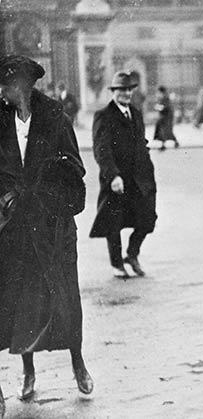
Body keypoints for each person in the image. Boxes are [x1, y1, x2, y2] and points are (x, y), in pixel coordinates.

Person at [0, 55, 93, 411]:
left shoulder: (55, 116)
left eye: (6, 86)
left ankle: (77, 361)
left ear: (21, 85)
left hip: (51, 223)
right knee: (19, 295)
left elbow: (75, 167)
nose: (1, 92)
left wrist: (49, 189)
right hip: (12, 223)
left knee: (64, 293)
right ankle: (27, 370)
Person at [89, 71, 158, 278]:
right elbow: (102, 149)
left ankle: (132, 254)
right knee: (114, 221)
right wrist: (113, 176)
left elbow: (141, 141)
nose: (126, 93)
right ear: (114, 92)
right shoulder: (103, 115)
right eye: (122, 90)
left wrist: (145, 157)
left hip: (140, 177)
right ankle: (117, 264)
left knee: (147, 218)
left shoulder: (136, 113)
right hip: (117, 178)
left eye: (129, 89)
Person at [153, 85, 180, 150]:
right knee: (164, 131)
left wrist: (158, 107)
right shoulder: (163, 97)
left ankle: (166, 144)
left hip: (166, 117)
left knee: (165, 131)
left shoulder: (165, 98)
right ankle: (168, 144)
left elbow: (165, 107)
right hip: (164, 117)